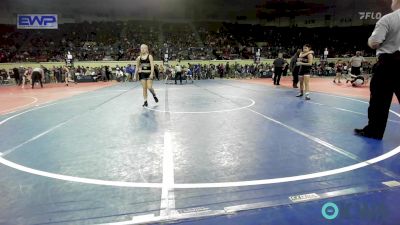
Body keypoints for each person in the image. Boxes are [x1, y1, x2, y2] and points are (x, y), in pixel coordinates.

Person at [354, 0, 400, 139]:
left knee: (379, 100)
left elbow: (374, 43)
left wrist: (370, 41)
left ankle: (374, 131)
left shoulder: (389, 19)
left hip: (389, 63)